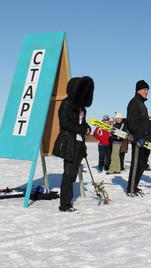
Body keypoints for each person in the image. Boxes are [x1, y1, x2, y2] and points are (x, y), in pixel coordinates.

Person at [52, 76, 94, 212]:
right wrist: (83, 129)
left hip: (79, 143)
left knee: (72, 174)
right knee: (69, 174)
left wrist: (87, 128)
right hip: (69, 143)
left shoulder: (81, 107)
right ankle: (64, 205)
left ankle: (66, 202)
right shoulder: (67, 103)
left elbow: (82, 123)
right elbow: (65, 123)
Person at [127, 80, 151, 196]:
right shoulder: (134, 103)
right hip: (138, 140)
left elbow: (144, 123)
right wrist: (138, 137)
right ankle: (131, 189)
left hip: (146, 140)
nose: (146, 92)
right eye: (144, 90)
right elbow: (131, 123)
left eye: (147, 90)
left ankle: (135, 187)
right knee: (136, 165)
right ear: (138, 90)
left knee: (142, 164)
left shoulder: (142, 104)